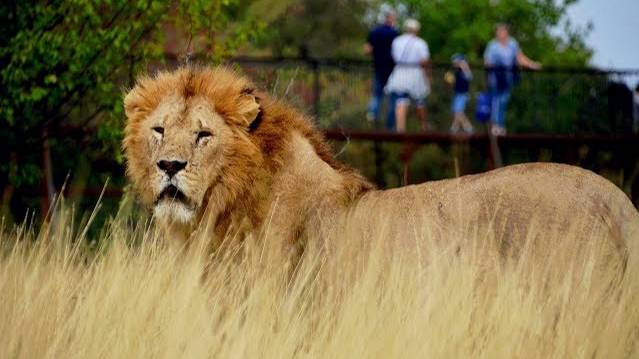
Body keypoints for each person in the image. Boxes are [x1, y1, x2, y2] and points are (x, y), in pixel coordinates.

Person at [484, 23, 541, 136]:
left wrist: (532, 64)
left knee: (504, 101)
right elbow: (487, 62)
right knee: (496, 100)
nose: (501, 33)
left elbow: (520, 57)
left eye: (503, 31)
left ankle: (501, 125)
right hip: (496, 78)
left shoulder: (512, 43)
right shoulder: (492, 45)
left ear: (507, 32)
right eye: (499, 31)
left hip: (508, 78)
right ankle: (495, 125)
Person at [385, 18, 430, 132]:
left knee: (400, 100)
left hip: (400, 72)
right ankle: (424, 126)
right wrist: (427, 77)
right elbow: (424, 61)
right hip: (415, 73)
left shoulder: (397, 41)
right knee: (420, 101)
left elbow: (393, 57)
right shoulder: (420, 42)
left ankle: (400, 128)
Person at [364, 9, 399, 127]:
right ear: (391, 18)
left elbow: (367, 50)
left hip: (378, 68)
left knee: (376, 95)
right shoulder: (395, 33)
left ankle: (372, 116)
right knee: (393, 98)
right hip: (392, 70)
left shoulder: (374, 32)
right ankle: (390, 125)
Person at [448, 54, 474, 134]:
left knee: (458, 111)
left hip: (463, 94)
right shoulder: (457, 71)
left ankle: (467, 127)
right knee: (457, 111)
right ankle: (455, 127)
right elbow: (452, 80)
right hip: (457, 93)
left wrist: (464, 66)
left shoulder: (465, 71)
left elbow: (469, 77)